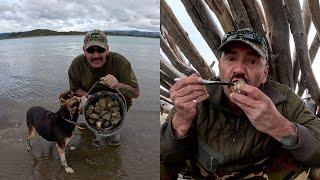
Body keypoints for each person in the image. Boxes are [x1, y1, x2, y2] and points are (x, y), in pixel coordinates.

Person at [160, 28, 320, 179]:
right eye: (231, 59)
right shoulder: (198, 97)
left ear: (265, 74)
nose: (239, 70)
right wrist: (180, 122)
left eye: (251, 61)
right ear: (220, 67)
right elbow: (164, 154)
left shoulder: (281, 98)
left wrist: (279, 126)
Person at [68, 29, 140, 146]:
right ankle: (91, 122)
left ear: (107, 49)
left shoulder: (120, 62)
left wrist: (118, 85)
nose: (96, 55)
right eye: (91, 50)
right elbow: (74, 89)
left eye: (100, 50)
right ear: (84, 51)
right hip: (90, 99)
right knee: (72, 100)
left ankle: (113, 131)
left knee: (114, 139)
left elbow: (136, 93)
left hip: (117, 103)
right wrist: (88, 98)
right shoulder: (76, 65)